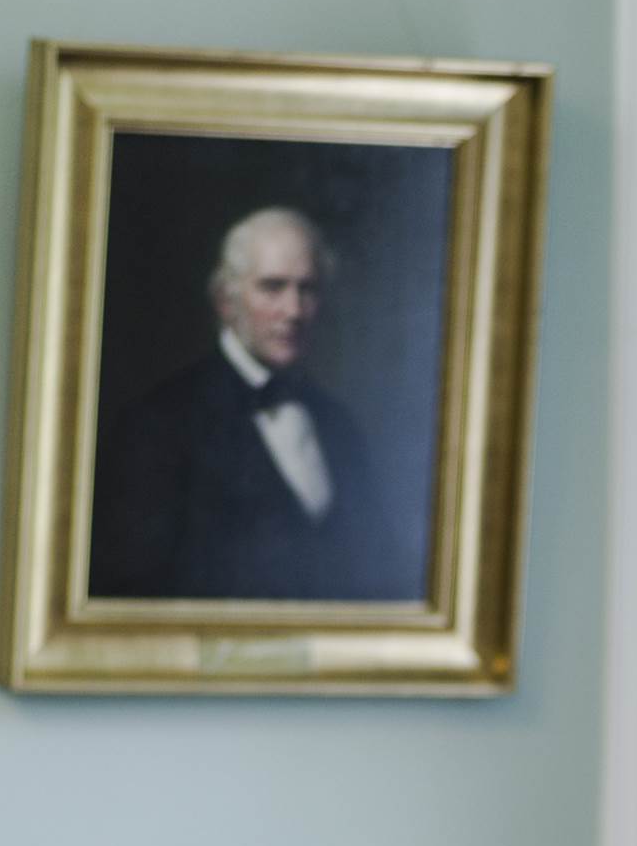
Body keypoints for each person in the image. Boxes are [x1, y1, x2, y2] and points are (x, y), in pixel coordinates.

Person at [89, 205, 419, 605]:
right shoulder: (158, 424)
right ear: (225, 301)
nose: (294, 311)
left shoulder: (338, 424)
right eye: (272, 287)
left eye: (307, 289)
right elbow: (132, 591)